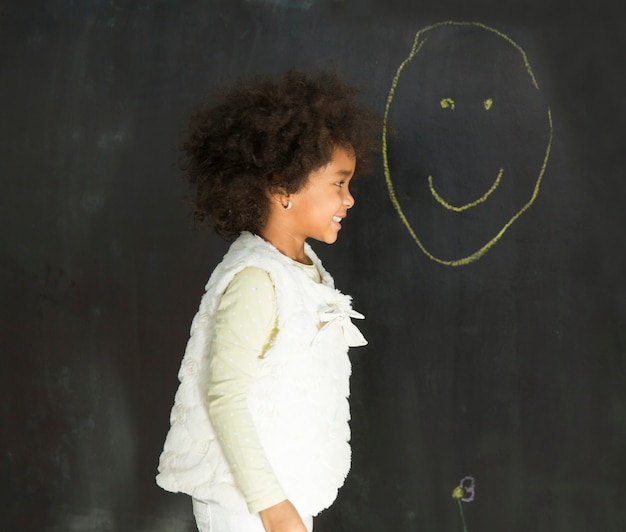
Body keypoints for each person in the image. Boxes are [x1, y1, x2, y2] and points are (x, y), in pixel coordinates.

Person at [156, 70, 381, 532]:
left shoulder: (303, 269)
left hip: (286, 494)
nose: (350, 199)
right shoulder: (256, 279)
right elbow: (224, 396)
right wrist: (273, 508)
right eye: (338, 183)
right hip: (248, 504)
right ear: (282, 189)